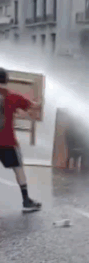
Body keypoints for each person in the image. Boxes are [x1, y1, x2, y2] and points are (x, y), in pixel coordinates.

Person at [0, 68, 42, 213]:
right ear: (7, 80)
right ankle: (26, 201)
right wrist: (39, 100)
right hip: (7, 142)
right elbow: (33, 107)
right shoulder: (13, 97)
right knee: (18, 170)